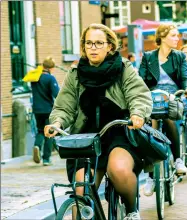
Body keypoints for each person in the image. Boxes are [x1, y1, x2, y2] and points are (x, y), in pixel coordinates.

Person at [45, 23, 152, 219]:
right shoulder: (75, 74)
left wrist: (137, 113)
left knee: (118, 170)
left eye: (98, 43)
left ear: (110, 46)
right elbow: (64, 106)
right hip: (86, 138)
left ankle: (131, 210)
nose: (93, 48)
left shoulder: (123, 68)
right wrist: (57, 123)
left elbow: (139, 95)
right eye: (89, 43)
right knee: (81, 189)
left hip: (119, 132)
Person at [138, 23, 187, 197]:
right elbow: (141, 80)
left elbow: (185, 77)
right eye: (174, 35)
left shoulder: (179, 57)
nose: (177, 39)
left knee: (169, 117)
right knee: (150, 130)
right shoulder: (148, 57)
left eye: (178, 36)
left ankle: (178, 160)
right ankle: (150, 177)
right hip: (153, 96)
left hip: (173, 95)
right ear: (162, 37)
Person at [32, 57, 60, 166]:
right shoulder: (50, 78)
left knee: (40, 130)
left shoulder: (34, 78)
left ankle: (37, 146)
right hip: (48, 109)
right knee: (49, 133)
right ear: (51, 68)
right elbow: (56, 94)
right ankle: (46, 159)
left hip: (36, 109)